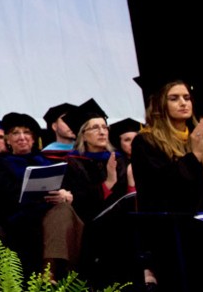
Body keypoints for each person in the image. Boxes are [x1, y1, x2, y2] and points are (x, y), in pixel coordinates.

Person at [129, 80, 203, 291]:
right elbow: (163, 188)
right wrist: (194, 157)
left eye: (187, 98)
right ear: (159, 105)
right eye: (174, 98)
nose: (183, 103)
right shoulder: (145, 142)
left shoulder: (200, 137)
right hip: (171, 224)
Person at [0, 112, 81, 279]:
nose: (22, 137)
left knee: (63, 209)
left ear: (34, 138)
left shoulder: (51, 163)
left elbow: (68, 190)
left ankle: (49, 271)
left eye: (26, 132)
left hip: (48, 216)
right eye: (15, 133)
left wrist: (65, 195)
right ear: (8, 139)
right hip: (15, 217)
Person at [62, 100, 137, 288]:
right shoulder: (72, 163)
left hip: (122, 220)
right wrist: (109, 182)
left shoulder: (118, 159)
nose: (102, 132)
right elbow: (81, 203)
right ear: (83, 135)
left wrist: (128, 183)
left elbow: (127, 197)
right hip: (90, 223)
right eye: (95, 128)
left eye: (104, 127)